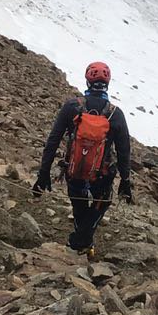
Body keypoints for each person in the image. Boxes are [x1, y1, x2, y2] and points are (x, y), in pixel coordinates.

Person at [33, 61, 132, 255]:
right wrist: (125, 181)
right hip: (102, 175)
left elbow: (53, 140)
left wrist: (43, 173)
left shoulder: (72, 106)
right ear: (108, 83)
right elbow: (124, 151)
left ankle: (81, 242)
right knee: (102, 201)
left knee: (79, 206)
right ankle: (81, 242)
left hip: (74, 170)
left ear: (87, 81)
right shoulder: (115, 114)